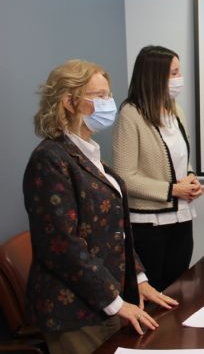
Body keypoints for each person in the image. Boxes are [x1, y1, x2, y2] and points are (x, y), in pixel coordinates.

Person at [23, 60, 178, 354]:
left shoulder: (89, 152)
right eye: (100, 96)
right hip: (72, 311)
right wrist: (116, 302)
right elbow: (63, 245)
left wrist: (140, 280)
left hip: (104, 300)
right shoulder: (50, 159)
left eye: (108, 95)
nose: (109, 103)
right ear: (69, 102)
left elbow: (114, 230)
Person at [112, 46, 204, 292]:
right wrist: (173, 189)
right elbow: (124, 177)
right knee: (154, 293)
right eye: (173, 73)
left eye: (178, 72)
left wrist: (192, 179)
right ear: (155, 76)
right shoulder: (130, 114)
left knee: (177, 290)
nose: (179, 79)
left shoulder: (176, 111)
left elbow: (182, 161)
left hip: (182, 217)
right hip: (148, 224)